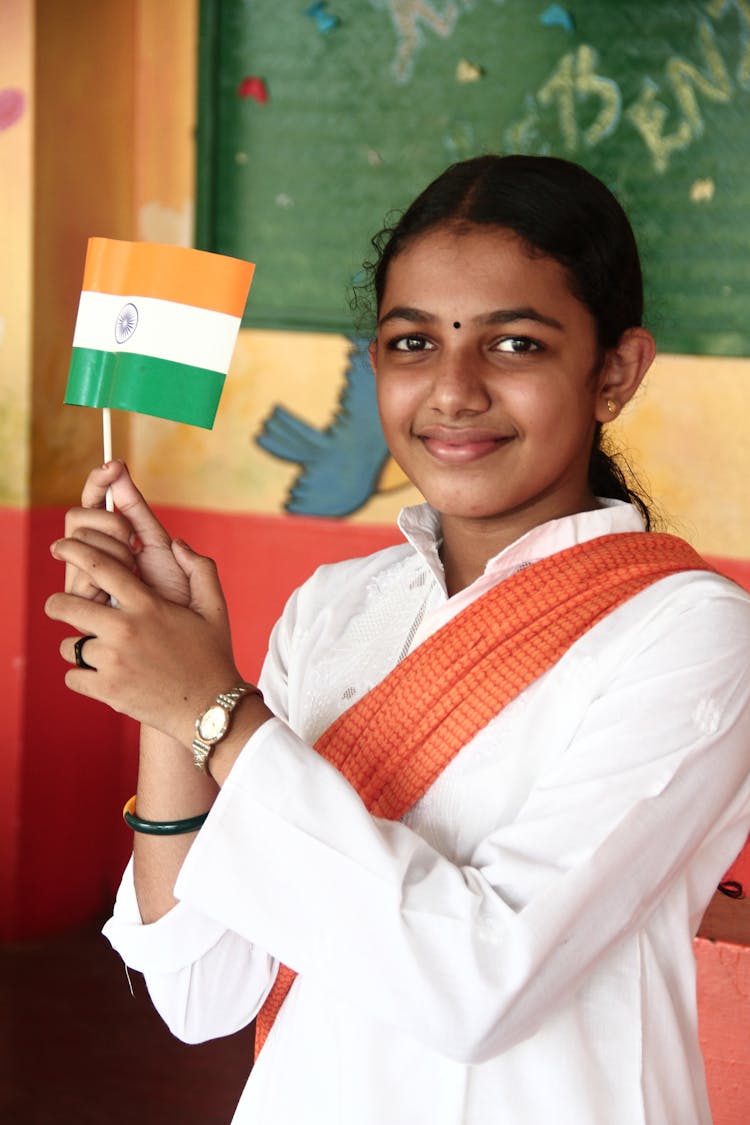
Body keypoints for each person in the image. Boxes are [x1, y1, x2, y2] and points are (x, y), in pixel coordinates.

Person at [46, 155, 750, 1124]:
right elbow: (201, 992)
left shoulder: (689, 637)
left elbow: (478, 989)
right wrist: (164, 690)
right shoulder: (336, 607)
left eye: (514, 346)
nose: (453, 392)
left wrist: (211, 709)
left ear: (614, 371)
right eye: (413, 343)